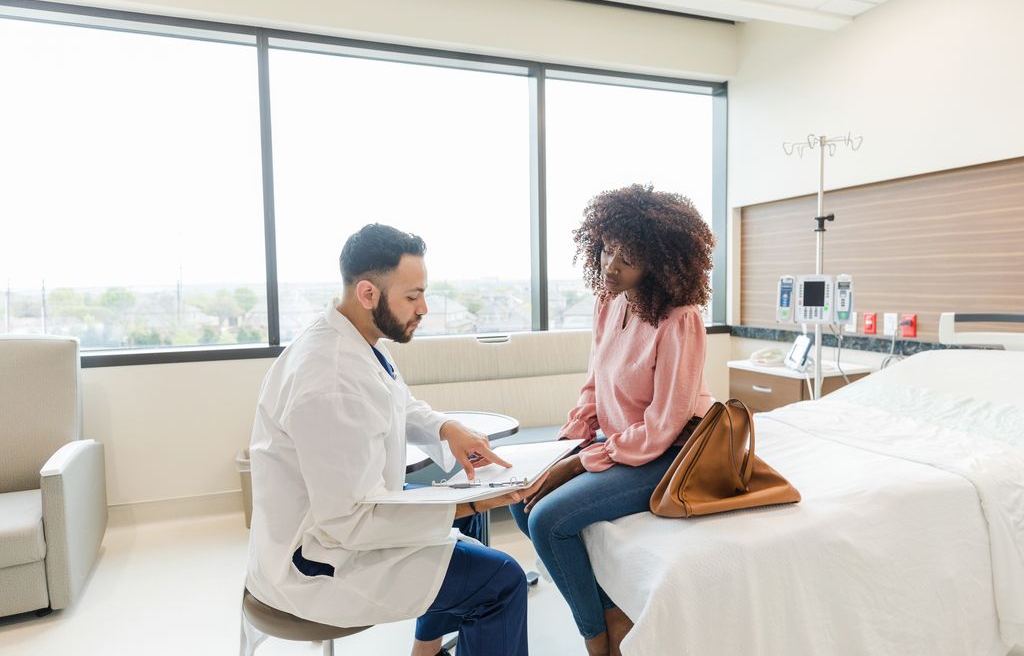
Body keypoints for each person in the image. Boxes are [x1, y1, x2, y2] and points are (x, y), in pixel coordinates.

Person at [246, 223, 545, 656]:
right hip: (317, 560)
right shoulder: (330, 378)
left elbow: (399, 403)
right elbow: (347, 521)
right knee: (501, 580)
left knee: (462, 519)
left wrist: (446, 428)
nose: (423, 307)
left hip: (336, 518)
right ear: (368, 294)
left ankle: (425, 650)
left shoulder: (359, 340)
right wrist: (477, 501)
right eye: (411, 296)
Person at [509, 184, 716, 656]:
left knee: (546, 521)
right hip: (625, 442)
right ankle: (611, 610)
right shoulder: (609, 300)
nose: (610, 266)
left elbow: (664, 425)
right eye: (606, 251)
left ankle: (597, 641)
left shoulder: (679, 320)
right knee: (523, 500)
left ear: (660, 263)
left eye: (628, 259)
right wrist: (572, 441)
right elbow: (595, 382)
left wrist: (581, 465)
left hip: (672, 452)